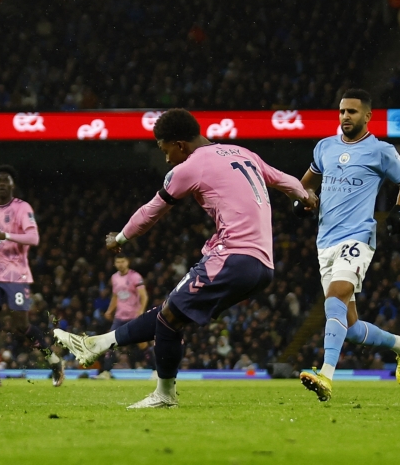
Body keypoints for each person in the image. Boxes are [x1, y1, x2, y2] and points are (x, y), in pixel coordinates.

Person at [54, 109, 314, 408]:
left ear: (179, 144)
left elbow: (152, 211)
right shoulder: (243, 152)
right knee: (170, 316)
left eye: (165, 151)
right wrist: (306, 197)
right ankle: (97, 344)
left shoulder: (191, 166)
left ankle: (162, 394)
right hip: (263, 266)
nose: (166, 159)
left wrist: (120, 238)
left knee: (168, 317)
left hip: (232, 256)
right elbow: (284, 180)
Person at [297, 89, 400, 402]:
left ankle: (326, 374)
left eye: (352, 112)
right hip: (325, 241)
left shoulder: (380, 151)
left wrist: (399, 210)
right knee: (348, 326)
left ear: (367, 116)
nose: (345, 117)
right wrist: (304, 199)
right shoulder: (324, 147)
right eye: (341, 112)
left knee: (336, 295)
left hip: (358, 236)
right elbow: (305, 183)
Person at [0, 165, 64, 387]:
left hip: (16, 274)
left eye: (6, 181)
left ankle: (54, 361)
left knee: (21, 326)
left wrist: (4, 234)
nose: (2, 184)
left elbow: (33, 239)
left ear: (13, 185)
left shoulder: (22, 208)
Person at [96, 255, 146, 379]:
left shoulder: (135, 276)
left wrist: (141, 310)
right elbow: (115, 296)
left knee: (142, 344)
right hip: (119, 317)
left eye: (122, 261)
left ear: (128, 262)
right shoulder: (114, 278)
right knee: (110, 343)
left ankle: (157, 371)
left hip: (134, 316)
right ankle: (106, 372)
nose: (120, 264)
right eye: (117, 262)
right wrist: (109, 311)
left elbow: (143, 296)